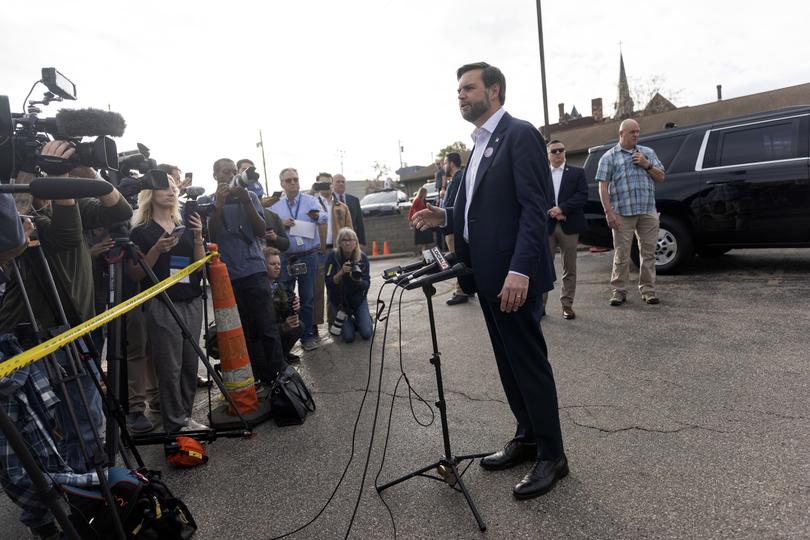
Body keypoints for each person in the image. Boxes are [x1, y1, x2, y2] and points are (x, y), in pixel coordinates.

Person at [411, 62, 566, 500]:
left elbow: (534, 209)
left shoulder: (519, 134)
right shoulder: (478, 144)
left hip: (515, 277)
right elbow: (483, 211)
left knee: (529, 365)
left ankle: (553, 456)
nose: (460, 95)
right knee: (509, 365)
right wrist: (444, 215)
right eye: (458, 89)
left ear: (494, 91)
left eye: (469, 88)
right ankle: (528, 436)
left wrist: (520, 271)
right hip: (488, 278)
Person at [129, 184, 207, 433]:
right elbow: (136, 273)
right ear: (149, 194)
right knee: (169, 366)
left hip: (192, 299)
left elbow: (199, 268)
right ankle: (174, 422)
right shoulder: (140, 232)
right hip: (162, 302)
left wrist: (197, 238)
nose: (171, 192)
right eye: (163, 188)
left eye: (173, 188)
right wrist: (156, 250)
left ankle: (185, 417)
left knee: (189, 364)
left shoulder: (184, 223)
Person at [207, 158, 288, 387]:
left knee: (267, 326)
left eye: (234, 171)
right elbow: (209, 236)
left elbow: (262, 231)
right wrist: (219, 205)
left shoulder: (250, 197)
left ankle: (279, 376)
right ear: (215, 176)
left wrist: (247, 202)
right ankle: (258, 377)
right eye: (226, 172)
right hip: (227, 274)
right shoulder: (208, 201)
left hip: (254, 269)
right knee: (244, 330)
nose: (231, 175)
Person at [596, 119, 666, 306]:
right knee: (621, 254)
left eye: (638, 131)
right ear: (621, 134)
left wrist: (646, 164)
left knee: (649, 253)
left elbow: (661, 177)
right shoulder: (609, 157)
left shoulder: (647, 153)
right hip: (622, 213)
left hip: (647, 211)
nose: (636, 134)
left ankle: (648, 290)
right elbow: (603, 188)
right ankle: (619, 291)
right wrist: (608, 213)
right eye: (632, 132)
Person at [269, 167, 328, 351]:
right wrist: (281, 223)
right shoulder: (276, 207)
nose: (293, 183)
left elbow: (324, 218)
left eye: (295, 179)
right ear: (281, 184)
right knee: (284, 298)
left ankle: (307, 336)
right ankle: (286, 338)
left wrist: (316, 216)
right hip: (286, 258)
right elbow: (268, 227)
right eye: (289, 180)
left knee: (308, 298)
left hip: (308, 256)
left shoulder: (310, 201)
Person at [545, 140, 589, 320]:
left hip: (569, 225)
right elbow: (535, 197)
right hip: (546, 226)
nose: (557, 153)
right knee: (544, 268)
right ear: (548, 155)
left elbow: (582, 195)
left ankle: (567, 305)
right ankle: (540, 306)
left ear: (565, 152)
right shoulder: (541, 175)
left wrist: (562, 209)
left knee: (569, 268)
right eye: (553, 151)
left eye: (560, 150)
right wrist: (552, 212)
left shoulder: (577, 172)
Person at [313, 173, 353, 336]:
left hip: (336, 251)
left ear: (332, 185)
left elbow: (349, 229)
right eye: (321, 184)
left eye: (327, 184)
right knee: (316, 290)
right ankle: (314, 326)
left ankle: (333, 321)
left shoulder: (342, 207)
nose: (325, 187)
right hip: (318, 252)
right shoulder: (311, 205)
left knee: (334, 287)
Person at [324, 228, 373, 343]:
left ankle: (363, 318)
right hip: (340, 302)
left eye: (351, 240)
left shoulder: (362, 258)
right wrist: (341, 273)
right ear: (339, 243)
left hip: (357, 299)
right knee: (348, 337)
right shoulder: (332, 257)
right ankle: (353, 321)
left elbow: (367, 284)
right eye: (344, 240)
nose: (347, 243)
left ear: (356, 242)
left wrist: (357, 279)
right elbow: (328, 283)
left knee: (366, 333)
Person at [441, 152, 474, 306]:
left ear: (451, 164)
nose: (443, 166)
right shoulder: (455, 179)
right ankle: (468, 288)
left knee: (458, 261)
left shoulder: (459, 179)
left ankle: (461, 291)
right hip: (451, 226)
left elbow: (457, 205)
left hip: (455, 228)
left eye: (445, 162)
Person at [264, 247, 303, 363]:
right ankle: (274, 359)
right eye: (272, 264)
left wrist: (294, 307)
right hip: (263, 331)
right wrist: (283, 327)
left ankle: (282, 356)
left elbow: (284, 311)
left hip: (274, 326)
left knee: (298, 325)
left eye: (279, 264)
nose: (277, 267)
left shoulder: (278, 286)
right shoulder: (260, 288)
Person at [332, 174, 366, 246]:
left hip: (352, 241)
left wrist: (362, 242)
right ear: (332, 184)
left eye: (343, 182)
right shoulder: (328, 201)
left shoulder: (354, 200)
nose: (341, 183)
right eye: (338, 182)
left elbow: (359, 222)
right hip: (335, 241)